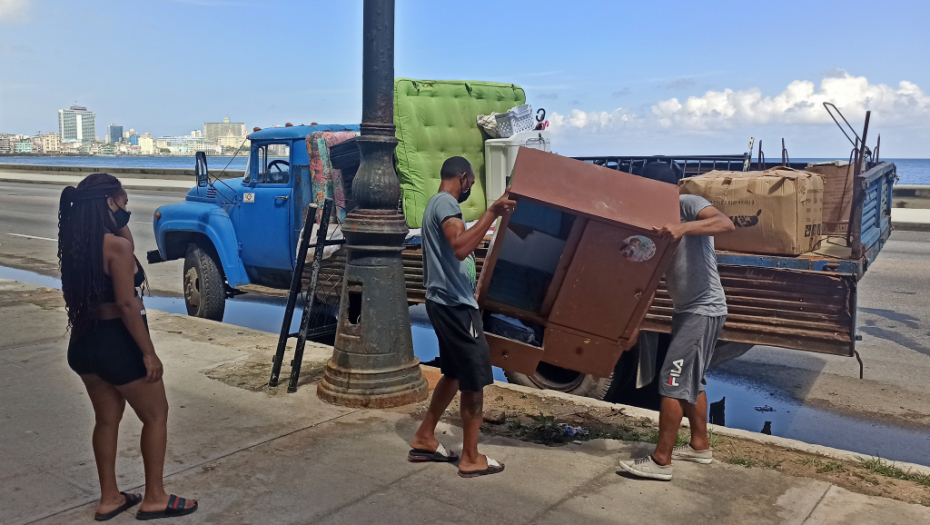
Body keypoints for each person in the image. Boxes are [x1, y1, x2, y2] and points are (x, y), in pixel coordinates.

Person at [59, 173, 198, 520]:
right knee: (156, 416)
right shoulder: (115, 247)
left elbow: (128, 249)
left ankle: (110, 499)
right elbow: (126, 304)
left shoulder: (77, 241)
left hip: (84, 343)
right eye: (123, 203)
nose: (126, 210)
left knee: (106, 421)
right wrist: (148, 352)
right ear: (109, 202)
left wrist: (114, 218)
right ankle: (154, 497)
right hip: (116, 343)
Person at [617, 162, 735, 481]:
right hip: (687, 309)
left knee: (672, 380)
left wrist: (682, 227)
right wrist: (635, 325)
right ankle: (699, 447)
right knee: (692, 381)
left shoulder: (688, 204)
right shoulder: (653, 222)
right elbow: (649, 282)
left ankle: (660, 462)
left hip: (704, 308)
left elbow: (725, 223)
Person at [408, 156, 516, 478]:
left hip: (445, 304)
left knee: (454, 374)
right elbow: (459, 246)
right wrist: (492, 212)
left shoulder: (436, 204)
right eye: (472, 182)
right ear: (464, 177)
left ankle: (424, 437)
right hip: (455, 309)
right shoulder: (446, 204)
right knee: (473, 382)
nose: (471, 187)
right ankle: (471, 457)